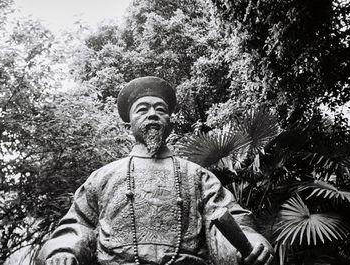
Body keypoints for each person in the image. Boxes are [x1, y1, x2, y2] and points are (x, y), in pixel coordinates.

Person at [37, 76, 274, 265]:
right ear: (129, 122)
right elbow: (78, 223)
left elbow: (229, 220)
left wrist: (251, 243)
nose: (152, 114)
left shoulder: (197, 176)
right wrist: (63, 250)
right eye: (142, 109)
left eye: (159, 109)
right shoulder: (104, 177)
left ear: (169, 120)